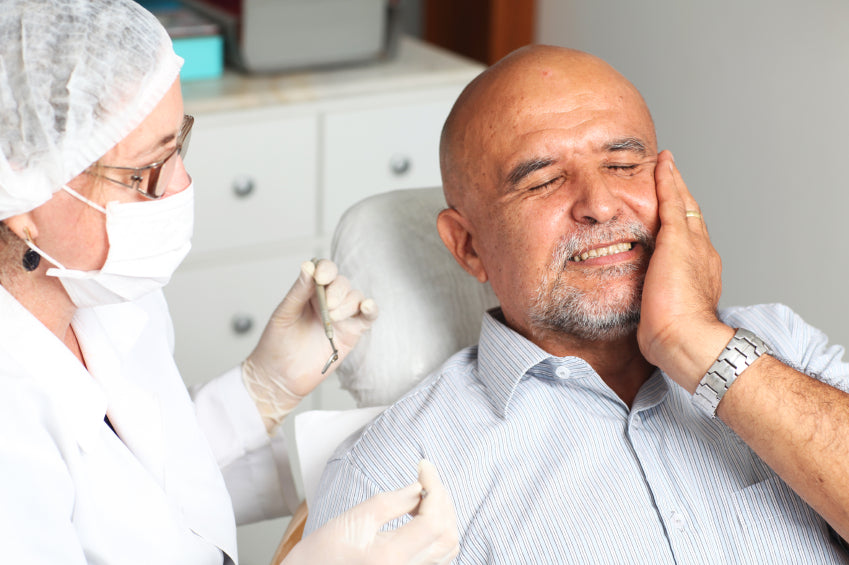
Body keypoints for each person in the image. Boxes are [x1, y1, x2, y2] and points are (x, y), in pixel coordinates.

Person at [305, 44, 849, 563]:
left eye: (622, 164)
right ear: (469, 246)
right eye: (543, 180)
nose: (601, 204)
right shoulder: (391, 476)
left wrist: (696, 342)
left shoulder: (783, 348)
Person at [0, 1, 459, 563]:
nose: (182, 184)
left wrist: (262, 389)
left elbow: (151, 486)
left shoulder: (104, 296)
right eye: (146, 172)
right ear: (24, 196)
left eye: (179, 146)